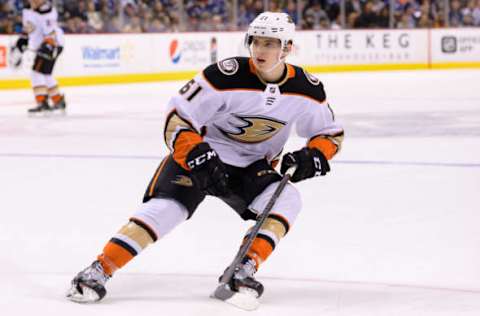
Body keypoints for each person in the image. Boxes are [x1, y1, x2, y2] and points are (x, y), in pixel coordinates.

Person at [66, 11, 344, 305]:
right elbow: (177, 117)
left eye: (270, 43)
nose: (260, 50)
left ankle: (244, 268)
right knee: (167, 210)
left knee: (288, 199)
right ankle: (99, 269)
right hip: (203, 156)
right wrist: (194, 151)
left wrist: (314, 155)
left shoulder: (307, 89)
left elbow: (330, 133)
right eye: (256, 41)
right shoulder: (222, 75)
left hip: (253, 168)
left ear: (287, 48)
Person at [14, 0, 66, 114]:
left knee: (36, 73)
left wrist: (48, 46)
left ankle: (42, 102)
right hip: (44, 46)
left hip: (53, 46)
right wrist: (23, 38)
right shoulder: (27, 10)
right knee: (45, 74)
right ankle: (58, 100)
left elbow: (51, 34)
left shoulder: (48, 12)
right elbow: (29, 27)